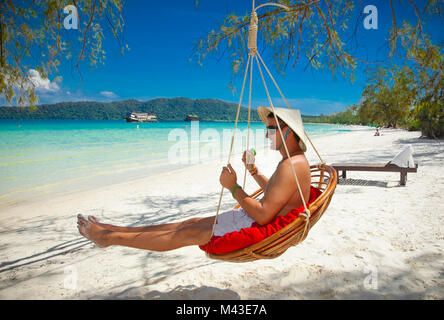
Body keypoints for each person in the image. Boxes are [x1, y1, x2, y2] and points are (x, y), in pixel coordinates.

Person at [77, 107, 311, 252]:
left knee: (186, 234)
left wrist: (234, 188)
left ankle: (109, 238)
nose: (266, 133)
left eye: (271, 129)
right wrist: (253, 171)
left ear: (287, 130)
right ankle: (115, 229)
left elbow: (263, 213)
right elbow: (275, 192)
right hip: (254, 219)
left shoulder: (291, 165)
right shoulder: (293, 161)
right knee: (189, 222)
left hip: (256, 225)